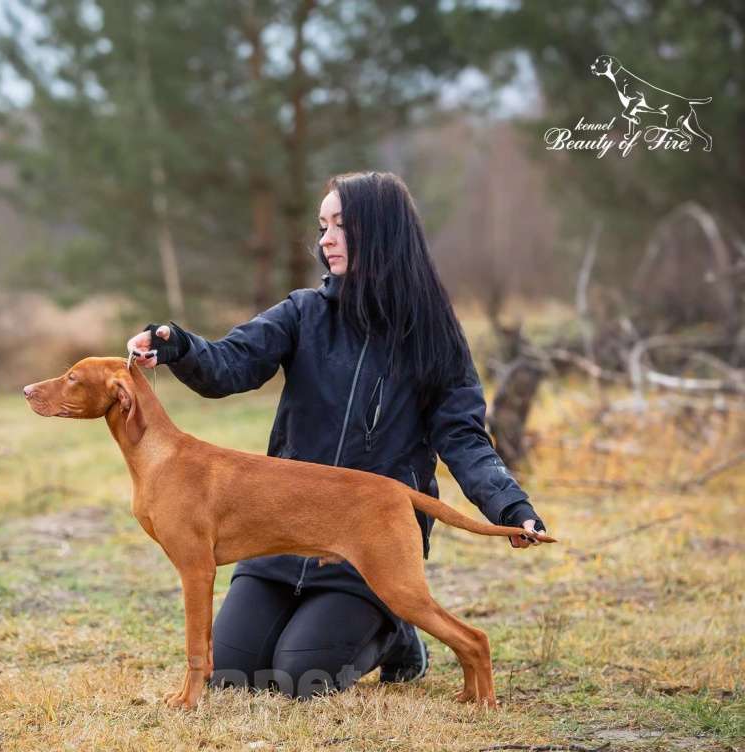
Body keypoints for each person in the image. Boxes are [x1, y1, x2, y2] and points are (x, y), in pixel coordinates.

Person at [126, 170, 548, 701]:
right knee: (235, 676)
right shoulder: (303, 313)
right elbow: (230, 364)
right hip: (275, 534)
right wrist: (177, 344)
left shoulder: (434, 334)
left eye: (340, 225)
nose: (324, 239)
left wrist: (510, 506)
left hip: (368, 536)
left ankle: (398, 631)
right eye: (322, 225)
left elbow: (463, 436)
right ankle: (331, 622)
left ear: (380, 232)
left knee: (302, 678)